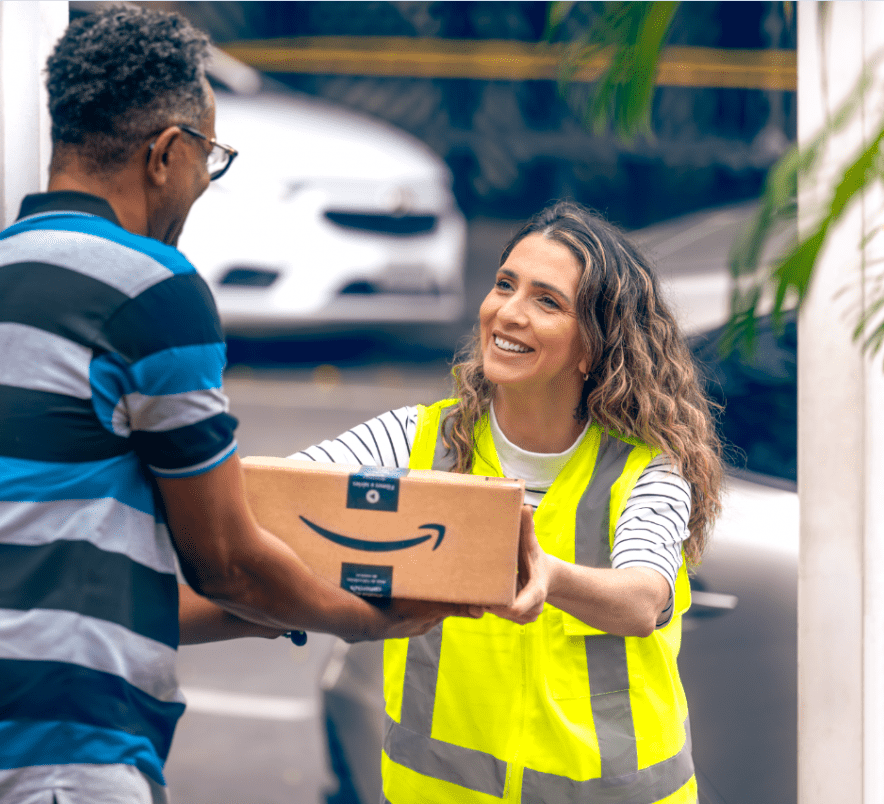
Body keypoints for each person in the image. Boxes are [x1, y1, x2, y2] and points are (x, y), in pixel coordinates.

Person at [0, 7, 489, 804]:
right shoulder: (150, 288)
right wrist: (367, 617)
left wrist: (278, 609)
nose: (206, 182)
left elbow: (104, 585)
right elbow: (225, 559)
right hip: (64, 746)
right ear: (167, 153)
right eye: (212, 157)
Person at [295, 200, 724, 804]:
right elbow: (284, 496)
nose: (509, 313)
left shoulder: (647, 470)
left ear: (591, 349)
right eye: (504, 285)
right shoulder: (414, 440)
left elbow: (643, 598)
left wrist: (549, 576)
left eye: (547, 301)